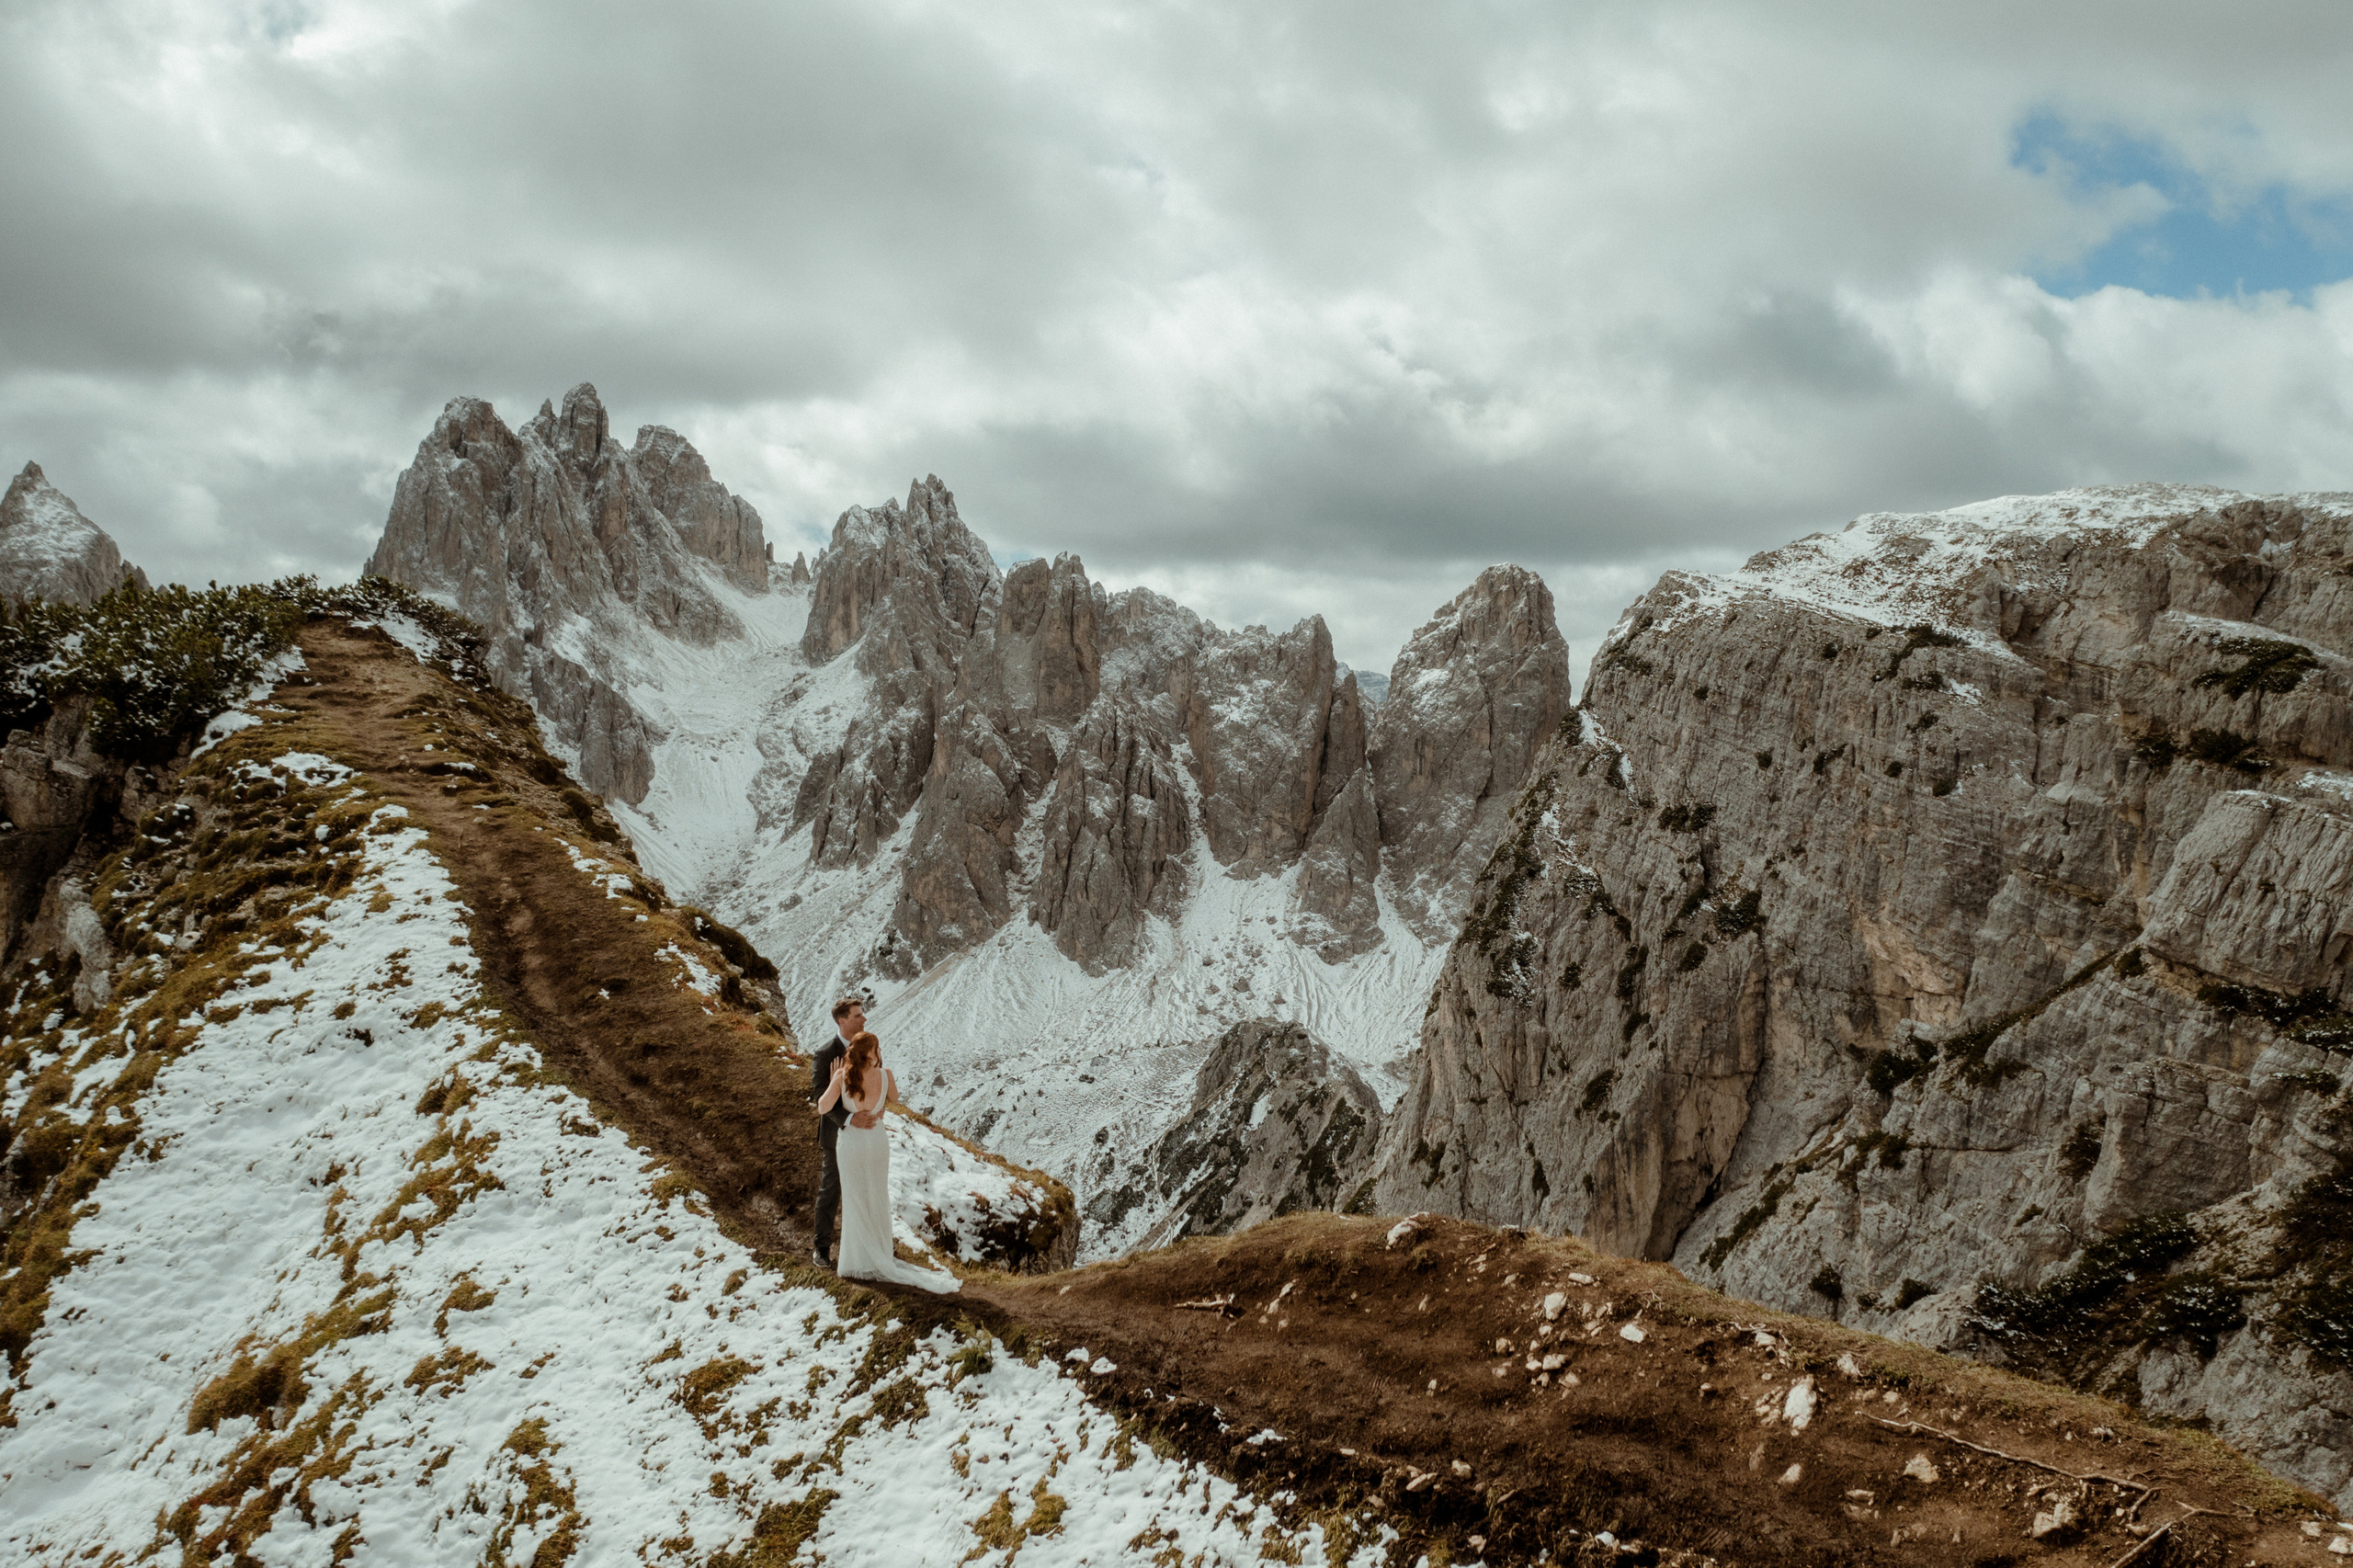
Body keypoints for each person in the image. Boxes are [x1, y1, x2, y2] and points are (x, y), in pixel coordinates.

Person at [818, 1028, 961, 1294]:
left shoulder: (842, 1076)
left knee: (855, 1198)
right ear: (871, 1054)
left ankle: (857, 1260)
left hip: (851, 1144)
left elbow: (823, 1107)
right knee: (877, 1195)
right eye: (877, 1049)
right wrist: (878, 1105)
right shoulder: (886, 1076)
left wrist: (833, 1082)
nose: (880, 1053)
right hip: (876, 1140)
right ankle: (880, 1252)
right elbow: (894, 1099)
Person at [808, 996, 862, 1269]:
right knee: (831, 1189)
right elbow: (818, 1097)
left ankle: (864, 1247)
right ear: (842, 1021)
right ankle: (821, 1247)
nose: (864, 1019)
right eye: (857, 1015)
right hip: (837, 1132)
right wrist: (849, 1118)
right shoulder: (825, 1053)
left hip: (865, 1133)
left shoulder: (868, 1048)